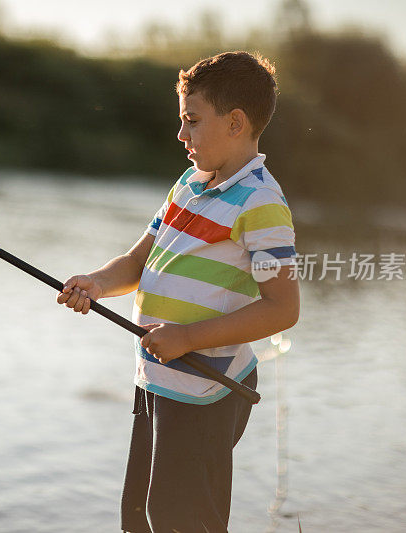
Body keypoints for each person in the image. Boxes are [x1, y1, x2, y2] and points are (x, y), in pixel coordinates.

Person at [56, 51, 300, 532]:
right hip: (158, 379)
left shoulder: (262, 203)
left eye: (192, 121)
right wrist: (98, 283)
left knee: (179, 518)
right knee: (139, 516)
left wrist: (188, 339)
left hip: (208, 389)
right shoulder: (188, 184)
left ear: (235, 122)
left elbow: (283, 308)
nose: (181, 135)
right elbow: (137, 261)